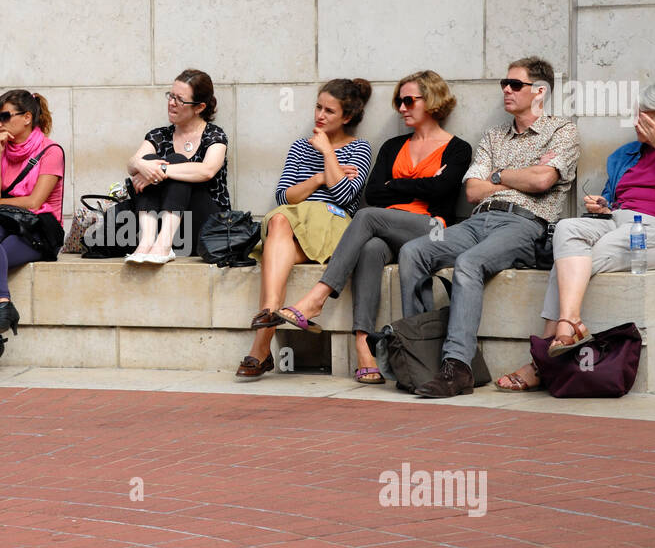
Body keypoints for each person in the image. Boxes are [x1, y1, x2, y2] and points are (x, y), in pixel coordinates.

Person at [496, 80, 655, 391]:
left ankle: (541, 360)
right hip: (617, 221)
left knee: (569, 263)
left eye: (646, 117)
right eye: (636, 114)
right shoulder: (624, 155)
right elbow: (615, 200)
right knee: (566, 229)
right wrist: (603, 206)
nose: (637, 122)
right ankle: (569, 324)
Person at [398, 56, 580, 398]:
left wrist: (496, 176)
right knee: (413, 251)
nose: (506, 90)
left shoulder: (562, 130)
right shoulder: (494, 136)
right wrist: (514, 177)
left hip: (526, 224)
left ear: (540, 91)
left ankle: (458, 367)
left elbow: (542, 180)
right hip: (478, 219)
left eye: (515, 84)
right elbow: (472, 190)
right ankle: (419, 354)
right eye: (504, 83)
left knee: (469, 263)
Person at [275, 71, 473, 384]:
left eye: (409, 100)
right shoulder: (393, 145)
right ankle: (363, 345)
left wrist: (399, 184)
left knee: (366, 216)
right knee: (369, 247)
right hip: (388, 229)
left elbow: (442, 191)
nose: (402, 108)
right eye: (398, 102)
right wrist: (419, 184)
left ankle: (317, 298)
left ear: (433, 102)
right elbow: (376, 193)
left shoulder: (458, 148)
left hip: (433, 228)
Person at [236, 78, 374, 379]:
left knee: (281, 222)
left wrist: (328, 154)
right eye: (317, 107)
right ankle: (272, 311)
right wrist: (319, 179)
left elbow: (346, 198)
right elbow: (284, 195)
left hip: (333, 224)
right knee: (278, 218)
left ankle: (261, 343)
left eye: (329, 111)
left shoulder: (360, 148)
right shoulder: (300, 146)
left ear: (347, 117)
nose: (319, 116)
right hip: (295, 224)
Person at [0, 89, 64, 374]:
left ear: (26, 118)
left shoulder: (51, 151)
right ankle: (4, 304)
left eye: (4, 116)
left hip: (39, 232)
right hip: (8, 225)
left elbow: (35, 202)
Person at [125, 69, 229, 263]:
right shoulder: (159, 135)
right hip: (171, 226)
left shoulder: (215, 135)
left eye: (180, 99)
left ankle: (163, 245)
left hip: (206, 226)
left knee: (176, 161)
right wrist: (141, 164)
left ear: (199, 107)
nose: (171, 103)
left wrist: (161, 170)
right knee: (147, 159)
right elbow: (131, 165)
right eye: (171, 96)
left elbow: (206, 171)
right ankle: (147, 242)